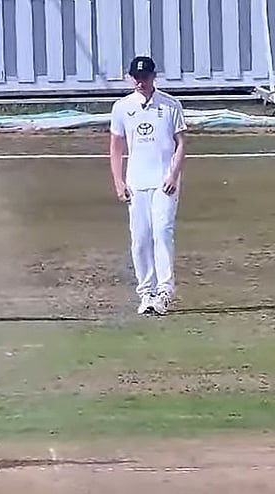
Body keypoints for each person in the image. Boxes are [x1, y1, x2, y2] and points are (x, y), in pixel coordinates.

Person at [109, 55, 187, 316]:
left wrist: (173, 175)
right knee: (140, 238)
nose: (140, 82)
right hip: (137, 182)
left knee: (162, 232)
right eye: (136, 77)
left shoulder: (170, 105)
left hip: (164, 181)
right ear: (130, 77)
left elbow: (181, 143)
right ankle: (146, 292)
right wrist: (119, 181)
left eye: (145, 77)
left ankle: (164, 291)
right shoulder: (122, 107)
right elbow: (116, 147)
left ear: (154, 77)